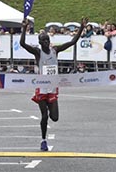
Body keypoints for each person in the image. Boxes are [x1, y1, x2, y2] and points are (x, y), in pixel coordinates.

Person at [20, 17, 88, 151]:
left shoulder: (55, 51)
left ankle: (50, 108)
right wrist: (24, 28)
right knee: (44, 116)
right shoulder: (38, 53)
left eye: (48, 40)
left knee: (55, 118)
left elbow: (72, 41)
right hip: (41, 88)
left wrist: (81, 27)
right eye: (44, 41)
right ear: (40, 43)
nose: (46, 43)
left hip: (52, 88)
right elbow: (22, 43)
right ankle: (43, 140)